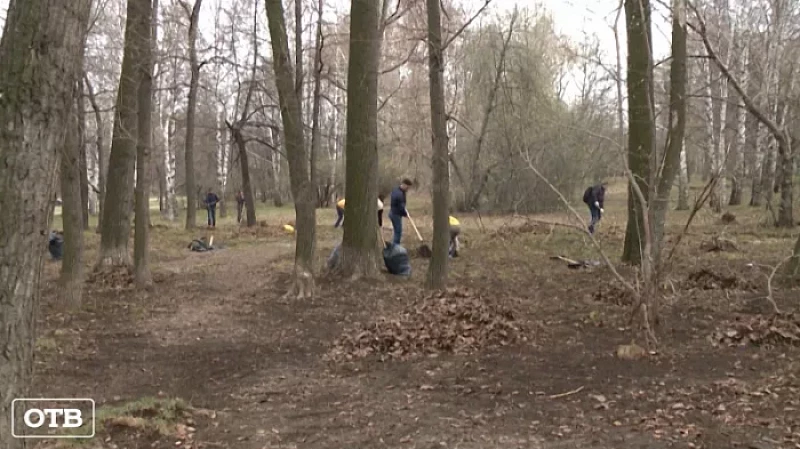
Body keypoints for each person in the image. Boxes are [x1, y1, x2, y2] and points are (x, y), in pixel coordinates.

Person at [388, 179, 413, 244]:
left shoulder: (397, 190)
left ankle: (394, 246)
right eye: (407, 187)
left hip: (393, 213)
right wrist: (405, 214)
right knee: (398, 232)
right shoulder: (399, 194)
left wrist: (404, 210)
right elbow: (401, 207)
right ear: (404, 185)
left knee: (396, 231)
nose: (408, 189)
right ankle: (396, 248)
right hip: (395, 214)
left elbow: (402, 205)